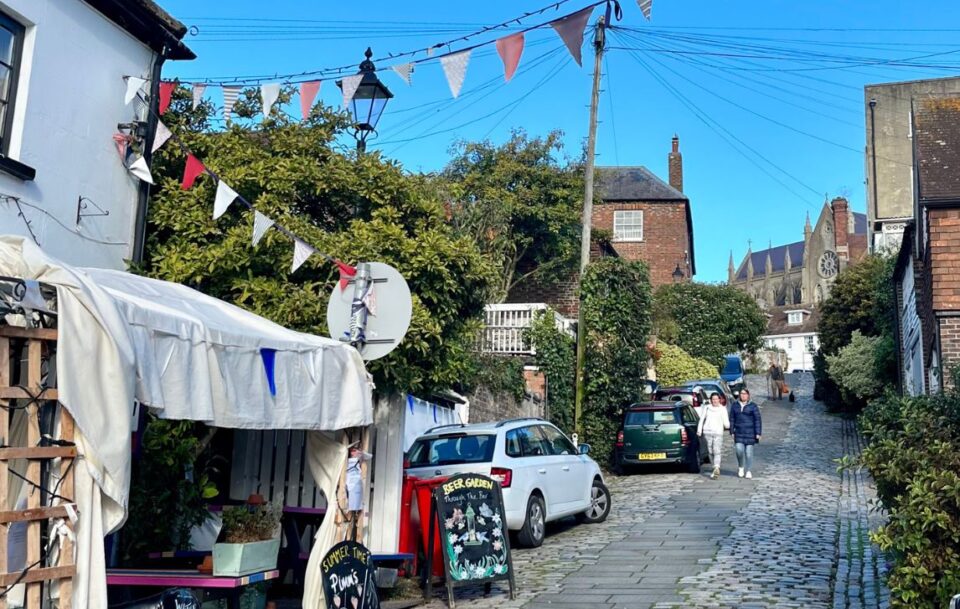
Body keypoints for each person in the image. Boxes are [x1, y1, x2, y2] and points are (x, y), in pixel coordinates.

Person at [730, 388, 762, 479]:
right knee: (739, 450)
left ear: (748, 395)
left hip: (750, 433)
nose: (743, 395)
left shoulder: (753, 406)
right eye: (741, 393)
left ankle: (748, 470)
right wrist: (732, 430)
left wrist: (758, 433)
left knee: (748, 453)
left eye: (745, 394)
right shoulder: (735, 405)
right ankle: (741, 467)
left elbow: (757, 420)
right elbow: (732, 419)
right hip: (739, 432)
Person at [697, 392, 730, 480]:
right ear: (711, 400)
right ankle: (714, 467)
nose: (715, 401)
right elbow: (701, 419)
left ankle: (716, 467)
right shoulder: (707, 408)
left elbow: (726, 422)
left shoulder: (723, 409)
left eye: (716, 399)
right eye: (713, 399)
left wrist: (730, 426)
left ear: (719, 400)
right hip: (707, 432)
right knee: (710, 451)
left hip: (718, 433)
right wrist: (699, 430)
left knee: (717, 450)